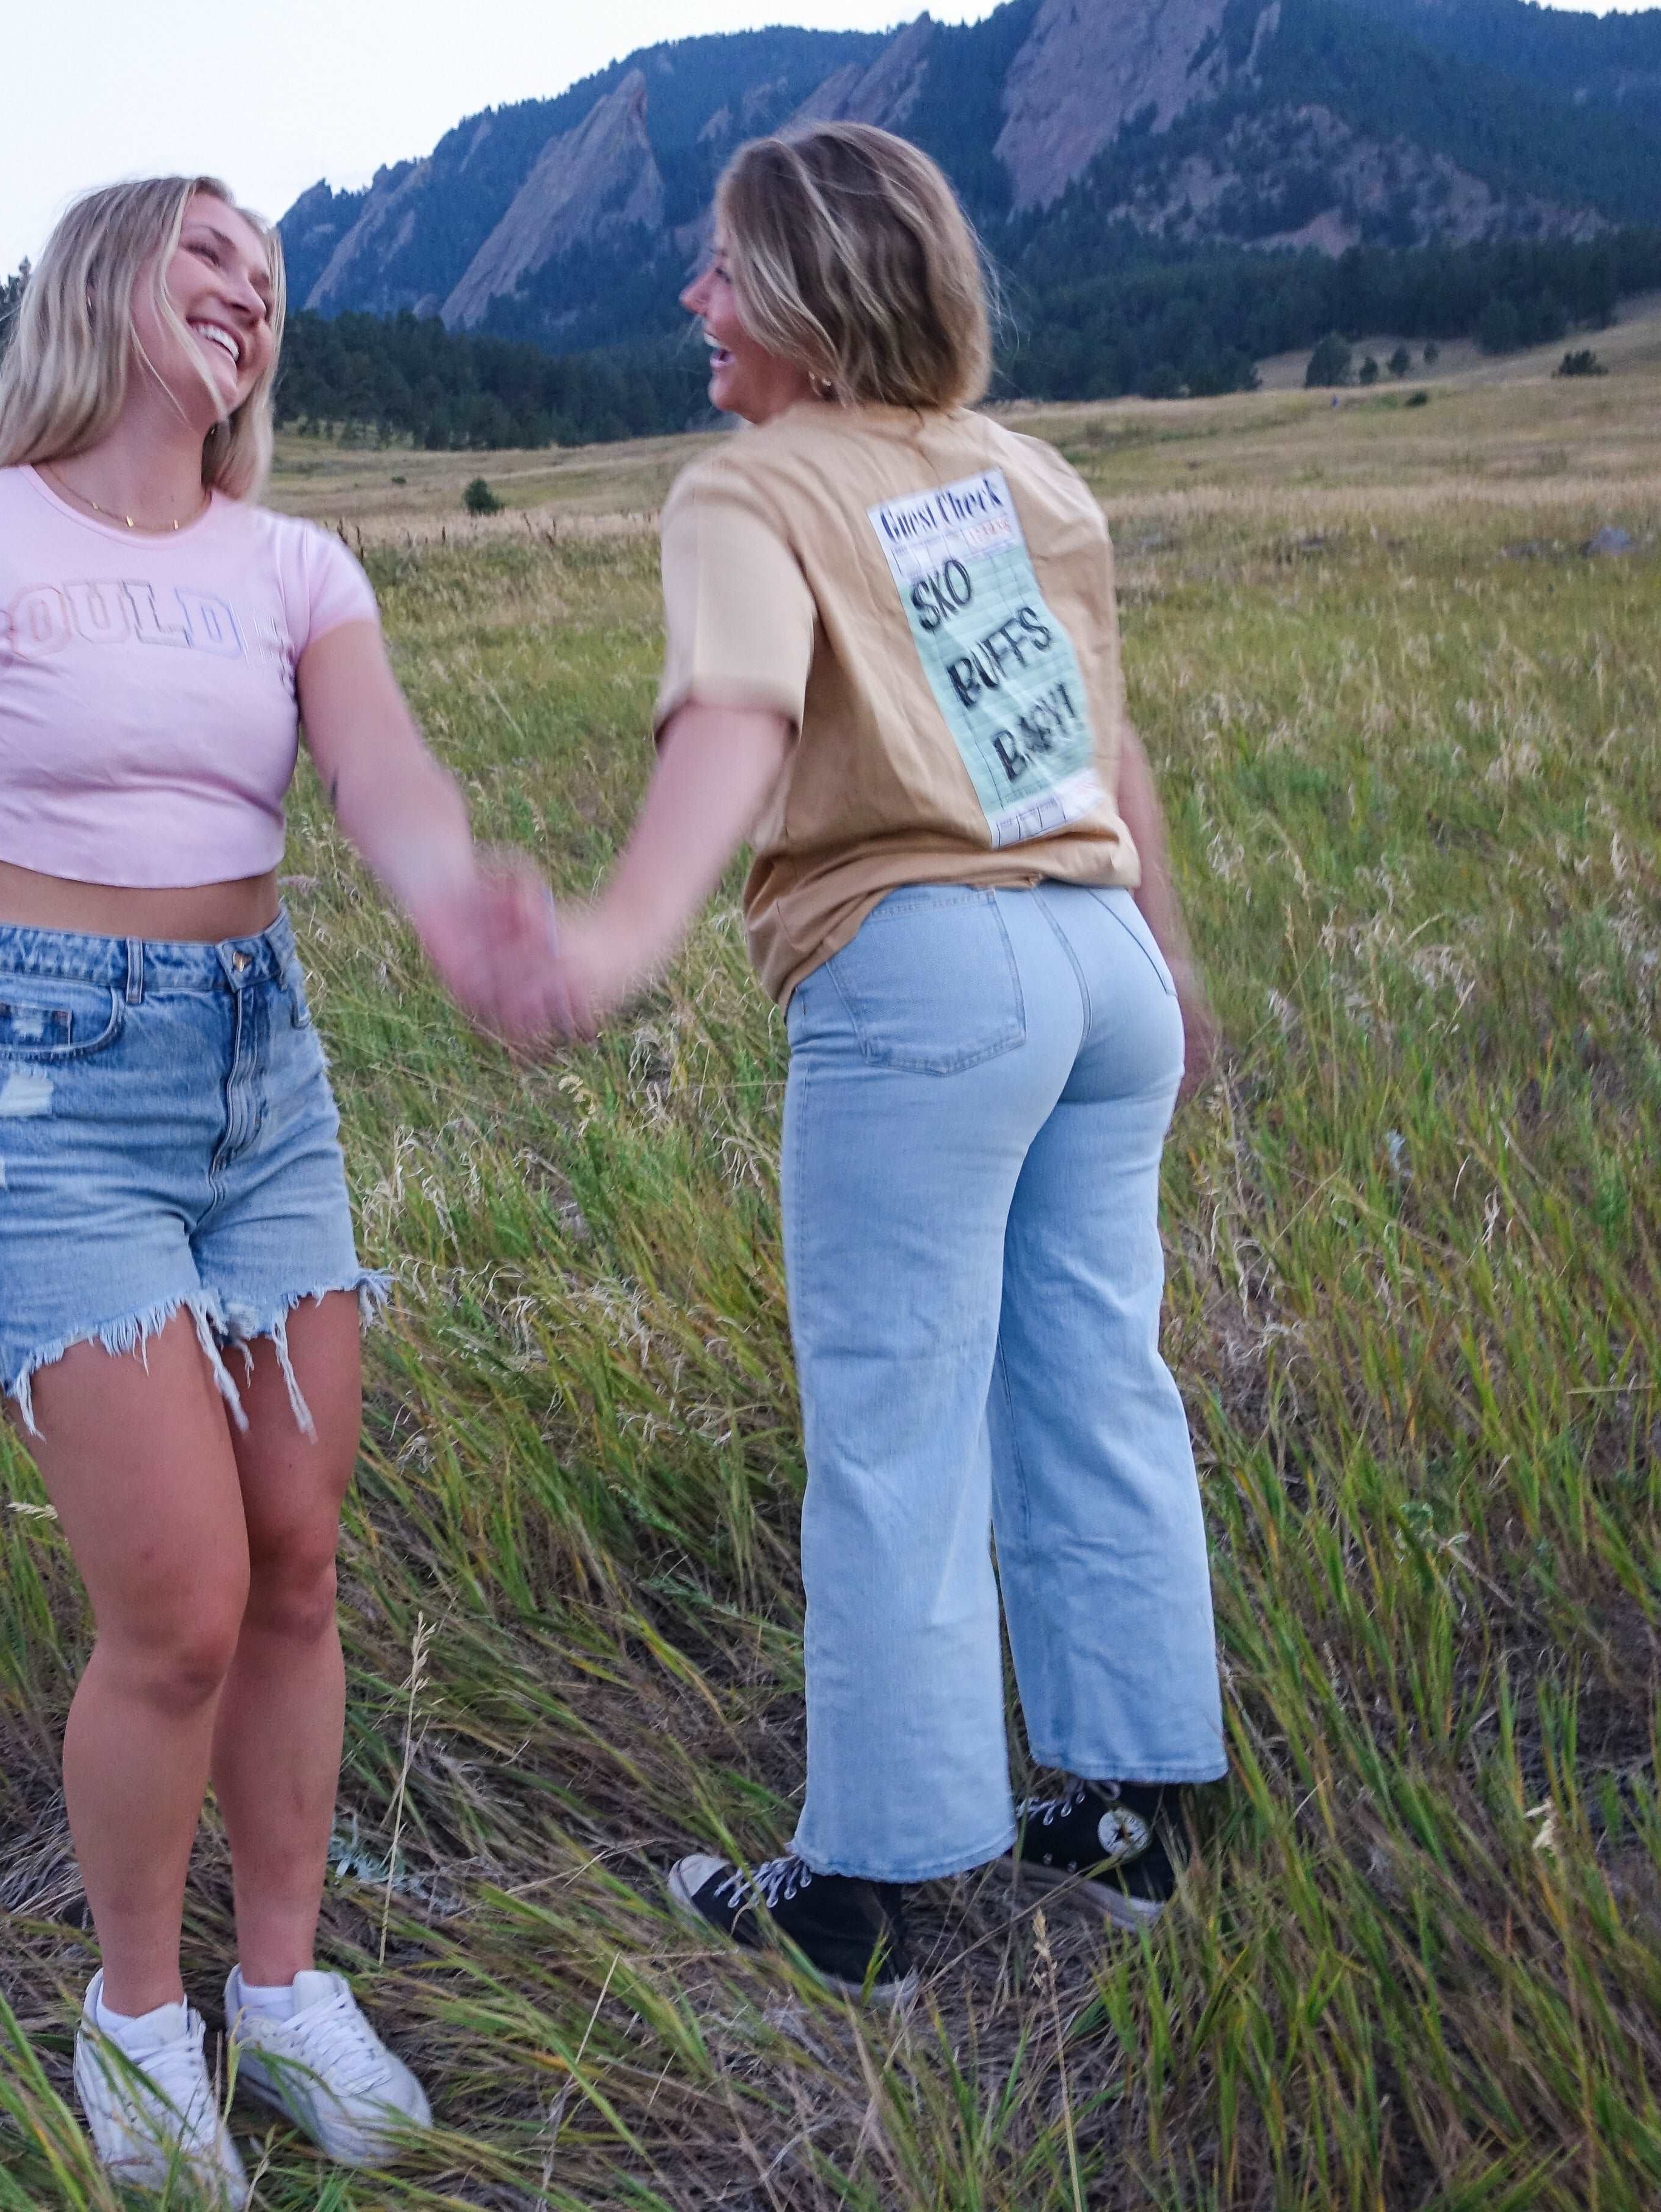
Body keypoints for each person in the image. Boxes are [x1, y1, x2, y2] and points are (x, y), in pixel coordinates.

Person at [0, 175, 548, 2193]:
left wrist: (464, 911)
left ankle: (284, 1987)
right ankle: (138, 2019)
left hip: (263, 1075)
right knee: (182, 1612)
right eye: (210, 253)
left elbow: (384, 779)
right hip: (48, 1094)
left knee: (301, 1562)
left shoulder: (292, 562)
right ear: (101, 277)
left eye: (274, 281)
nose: (250, 293)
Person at [528, 123, 1227, 1994]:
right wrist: (1168, 952)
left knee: (893, 1431)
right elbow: (1092, 736)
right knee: (1099, 1380)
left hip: (927, 975)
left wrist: (611, 939)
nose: (696, 300)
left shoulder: (751, 489)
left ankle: (865, 1896)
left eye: (726, 269)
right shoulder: (1018, 474)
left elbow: (742, 714)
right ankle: (1131, 1821)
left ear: (819, 299)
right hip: (1097, 964)